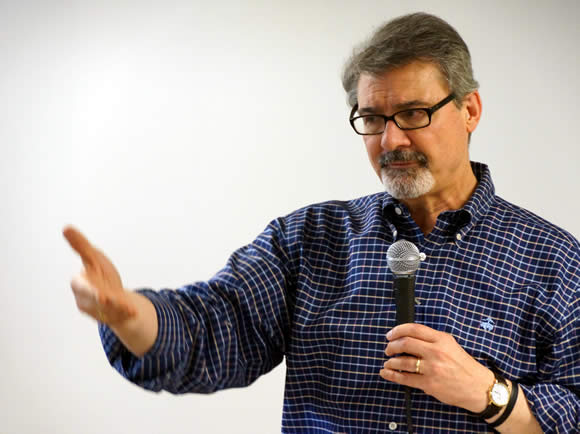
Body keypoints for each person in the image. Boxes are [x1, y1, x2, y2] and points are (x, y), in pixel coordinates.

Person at [64, 12, 579, 433]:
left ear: (470, 110)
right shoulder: (309, 239)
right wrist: (131, 315)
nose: (392, 140)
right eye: (372, 119)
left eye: (413, 113)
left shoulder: (554, 261)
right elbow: (216, 326)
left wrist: (489, 393)